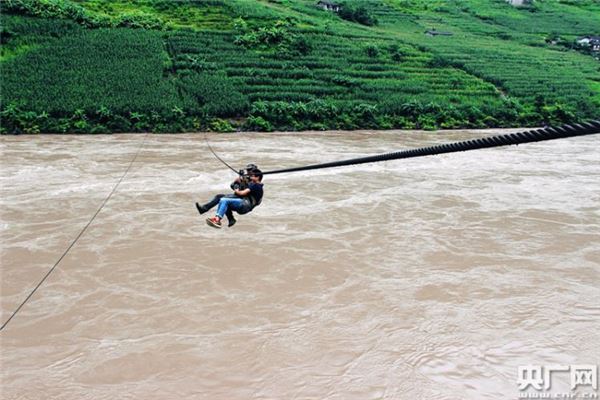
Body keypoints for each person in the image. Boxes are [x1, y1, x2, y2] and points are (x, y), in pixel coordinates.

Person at [197, 168, 264, 229]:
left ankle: (217, 220)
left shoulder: (256, 186)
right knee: (221, 198)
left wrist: (236, 190)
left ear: (257, 177)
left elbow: (241, 193)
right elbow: (235, 184)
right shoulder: (254, 184)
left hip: (245, 205)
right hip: (243, 203)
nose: (250, 176)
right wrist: (240, 179)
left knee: (224, 200)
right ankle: (229, 219)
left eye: (252, 175)